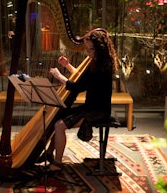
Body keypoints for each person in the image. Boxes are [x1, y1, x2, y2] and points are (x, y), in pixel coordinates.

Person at [47, 28, 118, 171]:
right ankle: (49, 153)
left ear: (100, 48)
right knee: (59, 115)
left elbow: (77, 86)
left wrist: (59, 76)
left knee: (59, 125)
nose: (88, 52)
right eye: (87, 49)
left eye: (91, 49)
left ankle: (57, 163)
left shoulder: (100, 66)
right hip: (91, 106)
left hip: (97, 110)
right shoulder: (99, 61)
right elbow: (83, 78)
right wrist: (67, 65)